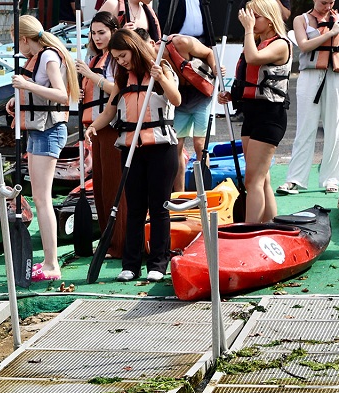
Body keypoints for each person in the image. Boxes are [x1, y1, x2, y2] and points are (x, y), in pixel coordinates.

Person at [85, 28, 181, 282]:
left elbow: (177, 99)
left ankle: (158, 264)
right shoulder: (122, 79)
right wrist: (94, 126)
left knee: (159, 208)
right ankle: (131, 264)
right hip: (131, 149)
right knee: (134, 208)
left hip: (161, 148)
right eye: (116, 58)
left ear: (134, 48)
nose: (120, 61)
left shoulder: (161, 69)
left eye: (123, 55)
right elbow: (109, 112)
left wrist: (161, 79)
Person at [6, 15, 80, 281]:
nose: (18, 47)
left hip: (50, 131)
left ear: (25, 39)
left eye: (18, 41)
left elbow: (62, 95)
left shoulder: (49, 57)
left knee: (42, 198)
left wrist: (27, 85)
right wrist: (17, 102)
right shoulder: (37, 57)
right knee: (39, 197)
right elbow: (38, 94)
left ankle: (52, 264)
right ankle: (48, 261)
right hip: (39, 130)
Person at [217, 0, 291, 223]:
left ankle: (250, 230)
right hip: (252, 114)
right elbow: (248, 77)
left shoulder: (280, 43)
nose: (252, 21)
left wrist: (248, 30)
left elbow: (254, 59)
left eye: (256, 17)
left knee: (253, 181)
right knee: (262, 178)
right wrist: (231, 95)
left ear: (270, 18)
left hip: (270, 116)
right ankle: (270, 223)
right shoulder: (256, 42)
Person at [277, 0, 339, 195]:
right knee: (305, 127)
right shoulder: (300, 20)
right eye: (323, 2)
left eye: (331, 2)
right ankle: (294, 179)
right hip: (310, 75)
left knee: (334, 129)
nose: (327, 5)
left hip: (338, 75)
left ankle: (332, 179)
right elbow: (304, 46)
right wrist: (329, 33)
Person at [76, 11, 126, 258]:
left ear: (114, 31)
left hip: (113, 126)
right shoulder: (96, 59)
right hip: (96, 128)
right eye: (93, 33)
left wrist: (90, 76)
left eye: (101, 32)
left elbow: (117, 88)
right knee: (100, 186)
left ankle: (119, 242)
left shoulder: (116, 60)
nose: (96, 37)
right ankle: (109, 241)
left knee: (113, 185)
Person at [163, 33, 217, 192]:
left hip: (200, 95)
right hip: (179, 98)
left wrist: (215, 68)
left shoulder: (182, 42)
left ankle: (203, 193)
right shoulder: (153, 56)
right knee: (176, 146)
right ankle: (179, 194)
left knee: (200, 145)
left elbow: (210, 53)